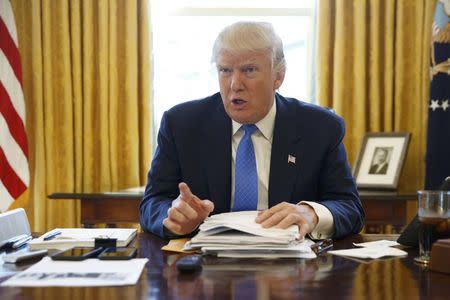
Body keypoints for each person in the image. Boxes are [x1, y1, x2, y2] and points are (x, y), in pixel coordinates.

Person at [140, 21, 365, 240]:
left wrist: (312, 213)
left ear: (278, 76)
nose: (235, 84)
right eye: (225, 70)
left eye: (249, 70)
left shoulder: (320, 127)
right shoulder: (181, 124)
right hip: (206, 264)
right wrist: (174, 218)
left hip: (290, 266)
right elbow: (153, 202)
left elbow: (349, 207)